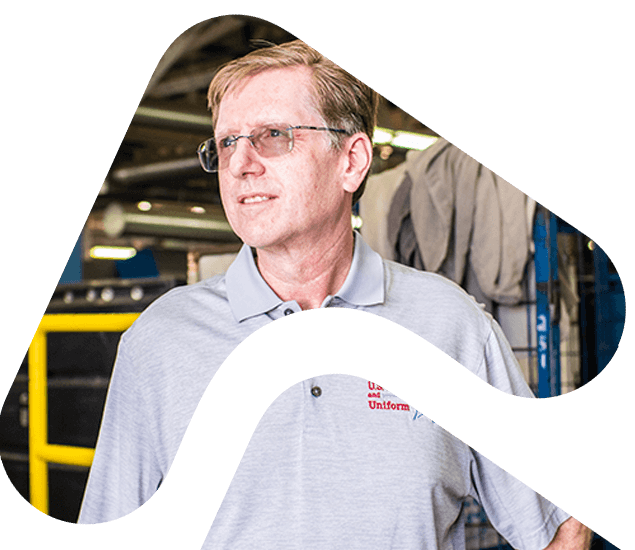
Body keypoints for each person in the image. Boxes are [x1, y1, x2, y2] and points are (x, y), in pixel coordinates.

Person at [78, 39, 592, 549]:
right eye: (227, 143)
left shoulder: (449, 325)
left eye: (273, 135)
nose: (240, 164)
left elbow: (558, 524)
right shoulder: (163, 341)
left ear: (351, 159)